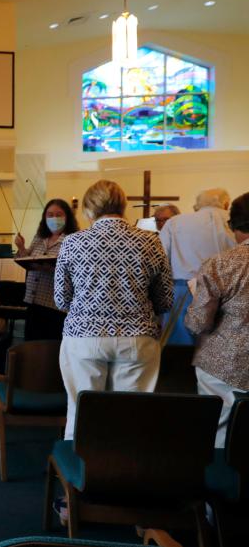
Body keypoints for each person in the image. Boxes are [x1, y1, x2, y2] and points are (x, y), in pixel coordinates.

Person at [54, 180, 173, 439]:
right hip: (137, 338)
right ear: (123, 206)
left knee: (82, 412)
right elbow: (165, 301)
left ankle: (81, 474)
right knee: (130, 415)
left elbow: (61, 300)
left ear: (88, 209)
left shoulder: (73, 243)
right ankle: (125, 474)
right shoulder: (150, 242)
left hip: (84, 338)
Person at [185, 191, 249, 447]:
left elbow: (198, 323)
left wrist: (196, 297)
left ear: (232, 225)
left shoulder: (220, 264)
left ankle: (225, 476)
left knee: (221, 430)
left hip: (226, 364)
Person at [159, 189, 235, 345]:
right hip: (225, 291)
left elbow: (160, 258)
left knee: (179, 348)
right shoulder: (234, 222)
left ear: (197, 206)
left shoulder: (175, 222)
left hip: (182, 291)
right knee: (219, 347)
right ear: (226, 204)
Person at [13, 199, 79, 340]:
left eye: (58, 214)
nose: (54, 218)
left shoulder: (72, 240)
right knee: (31, 346)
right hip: (33, 301)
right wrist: (21, 248)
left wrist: (52, 269)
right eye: (49, 214)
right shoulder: (39, 237)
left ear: (67, 217)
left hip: (55, 306)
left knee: (50, 349)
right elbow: (28, 258)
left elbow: (76, 271)